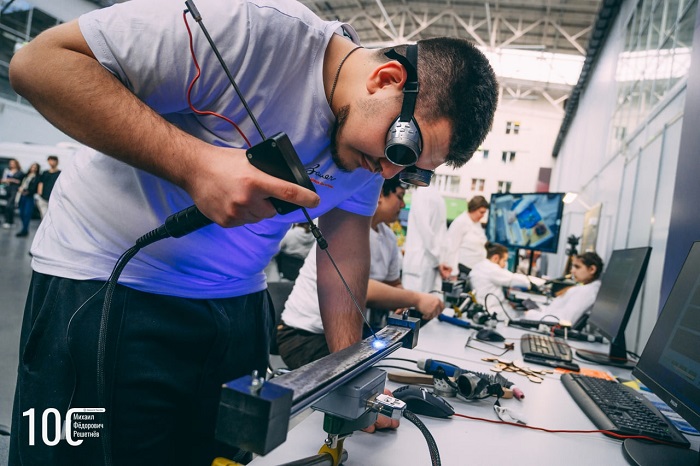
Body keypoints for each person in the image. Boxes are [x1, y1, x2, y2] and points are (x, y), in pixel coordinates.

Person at [8, 0, 498, 463]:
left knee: (224, 456)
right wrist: (195, 165)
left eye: (411, 169)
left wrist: (350, 373)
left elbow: (344, 253)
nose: (389, 171)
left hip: (238, 309)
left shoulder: (373, 153)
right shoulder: (251, 30)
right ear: (386, 79)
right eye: (402, 148)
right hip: (108, 288)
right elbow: (39, 63)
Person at [277, 178, 444, 369]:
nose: (403, 205)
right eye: (399, 197)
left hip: (348, 330)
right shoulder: (347, 229)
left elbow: (394, 284)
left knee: (393, 364)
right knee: (373, 374)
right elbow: (358, 289)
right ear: (379, 194)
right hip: (304, 336)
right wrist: (417, 299)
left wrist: (402, 301)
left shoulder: (388, 237)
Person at [401, 181, 452, 293]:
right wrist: (439, 260)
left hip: (418, 264)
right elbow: (441, 233)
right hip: (429, 263)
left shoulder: (421, 193)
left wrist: (437, 260)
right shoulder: (438, 196)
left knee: (412, 301)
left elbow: (425, 230)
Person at [469, 242, 531, 314]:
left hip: (486, 307)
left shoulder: (480, 266)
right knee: (531, 314)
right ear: (496, 258)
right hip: (494, 310)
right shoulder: (491, 269)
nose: (504, 264)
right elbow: (515, 279)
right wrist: (536, 282)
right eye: (504, 260)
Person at [543, 252, 604, 326]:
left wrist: (532, 314)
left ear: (592, 269)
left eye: (577, 267)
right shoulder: (586, 288)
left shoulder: (586, 292)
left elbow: (564, 320)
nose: (572, 271)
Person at [443, 195, 490, 275]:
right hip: (463, 269)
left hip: (475, 269)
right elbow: (452, 248)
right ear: (473, 209)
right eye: (481, 212)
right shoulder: (460, 222)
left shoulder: (477, 223)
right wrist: (453, 272)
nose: (483, 215)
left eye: (484, 213)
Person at [14, 162, 41, 237]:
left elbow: (35, 188)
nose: (33, 169)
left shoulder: (37, 177)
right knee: (21, 213)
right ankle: (24, 228)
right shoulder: (25, 176)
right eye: (32, 167)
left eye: (35, 168)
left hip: (29, 196)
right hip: (21, 196)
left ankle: (24, 230)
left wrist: (27, 191)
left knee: (27, 213)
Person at [1, 158, 25, 229]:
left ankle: (9, 221)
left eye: (13, 163)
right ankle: (8, 220)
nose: (11, 164)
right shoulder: (7, 171)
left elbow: (21, 182)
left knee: (9, 205)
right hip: (7, 189)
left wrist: (12, 180)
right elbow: (3, 180)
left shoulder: (20, 172)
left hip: (14, 190)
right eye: (10, 163)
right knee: (7, 205)